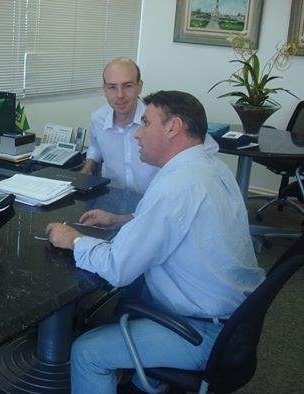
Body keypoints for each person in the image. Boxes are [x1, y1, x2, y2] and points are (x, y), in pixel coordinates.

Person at [46, 90, 265, 393]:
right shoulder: (210, 167)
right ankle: (148, 382)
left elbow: (117, 268)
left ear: (173, 127)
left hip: (205, 332)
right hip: (236, 318)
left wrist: (73, 240)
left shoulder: (175, 185)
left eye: (146, 123)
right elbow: (180, 223)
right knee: (140, 294)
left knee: (88, 352)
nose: (137, 134)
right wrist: (121, 220)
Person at [81, 57, 219, 193]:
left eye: (127, 86)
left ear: (139, 87)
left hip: (154, 203)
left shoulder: (161, 117)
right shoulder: (98, 119)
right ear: (104, 89)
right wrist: (87, 168)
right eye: (112, 87)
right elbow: (96, 145)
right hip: (113, 197)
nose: (120, 95)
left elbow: (207, 150)